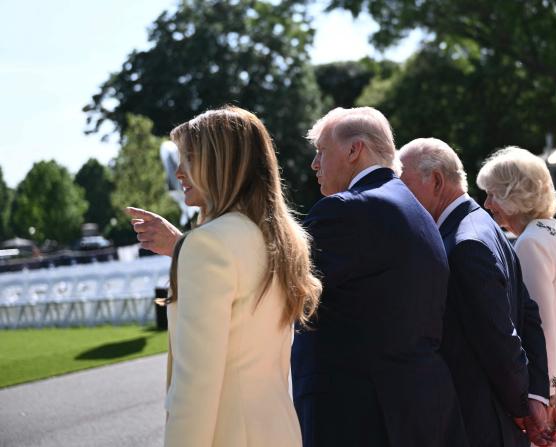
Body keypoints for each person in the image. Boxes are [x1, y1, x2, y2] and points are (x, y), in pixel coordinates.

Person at [291, 108, 467, 447]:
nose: (314, 164)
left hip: (360, 418)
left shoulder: (348, 210)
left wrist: (188, 248)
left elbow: (278, 282)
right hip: (417, 409)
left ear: (354, 150)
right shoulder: (415, 208)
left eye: (321, 151)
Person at [158, 106, 322, 447]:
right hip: (279, 430)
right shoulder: (282, 238)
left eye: (188, 158)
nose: (179, 172)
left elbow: (197, 385)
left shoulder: (206, 244)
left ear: (220, 164)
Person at [399, 138, 556, 447]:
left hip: (483, 425)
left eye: (404, 186)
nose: (399, 197)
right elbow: (528, 315)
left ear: (436, 181)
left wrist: (525, 409)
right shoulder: (483, 225)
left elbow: (501, 339)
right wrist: (534, 396)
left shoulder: (462, 244)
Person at [477, 146, 556, 447]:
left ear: (514, 194)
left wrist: (544, 396)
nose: (487, 204)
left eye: (493, 193)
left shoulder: (530, 244)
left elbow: (541, 328)